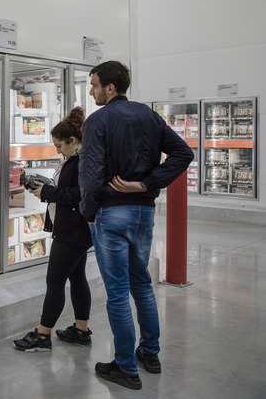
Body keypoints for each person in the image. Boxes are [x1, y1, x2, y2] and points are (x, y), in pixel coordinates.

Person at [79, 61, 193, 390]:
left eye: (94, 85)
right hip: (144, 214)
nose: (91, 91)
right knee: (142, 285)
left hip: (111, 215)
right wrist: (145, 185)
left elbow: (90, 173)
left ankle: (126, 367)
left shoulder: (97, 121)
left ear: (110, 88)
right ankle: (151, 354)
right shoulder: (149, 116)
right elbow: (183, 153)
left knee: (116, 294)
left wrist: (88, 212)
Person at [13, 107, 94, 352]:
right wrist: (47, 188)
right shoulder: (77, 158)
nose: (57, 150)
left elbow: (80, 194)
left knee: (55, 282)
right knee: (77, 277)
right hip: (79, 230)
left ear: (72, 141)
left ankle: (42, 335)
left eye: (59, 145)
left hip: (71, 231)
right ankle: (81, 330)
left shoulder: (82, 161)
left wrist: (47, 192)